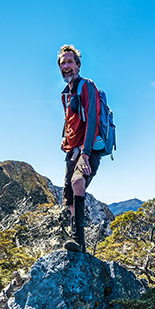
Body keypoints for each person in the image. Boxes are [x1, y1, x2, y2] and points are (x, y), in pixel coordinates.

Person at [58, 44, 104, 253]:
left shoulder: (87, 86)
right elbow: (71, 122)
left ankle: (78, 240)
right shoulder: (65, 95)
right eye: (63, 63)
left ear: (78, 65)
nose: (66, 66)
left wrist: (85, 154)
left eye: (70, 61)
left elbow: (92, 119)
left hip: (89, 148)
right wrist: (67, 143)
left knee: (78, 181)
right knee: (69, 196)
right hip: (73, 150)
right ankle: (77, 240)